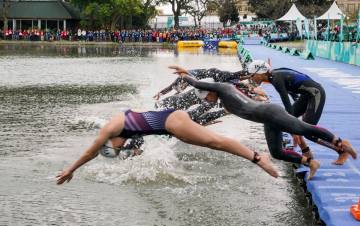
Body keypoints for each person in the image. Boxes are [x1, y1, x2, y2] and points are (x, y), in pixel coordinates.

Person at [173, 67, 357, 180]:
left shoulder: (223, 88)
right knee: (276, 152)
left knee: (304, 129)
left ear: (209, 92)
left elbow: (198, 84)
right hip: (267, 119)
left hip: (272, 113)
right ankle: (311, 163)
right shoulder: (225, 99)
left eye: (207, 98)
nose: (208, 102)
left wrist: (184, 76)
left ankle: (340, 143)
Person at [56, 108, 279, 185]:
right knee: (212, 143)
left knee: (215, 142)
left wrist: (70, 169)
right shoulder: (122, 132)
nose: (117, 149)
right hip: (171, 123)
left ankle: (259, 159)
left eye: (113, 149)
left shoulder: (109, 130)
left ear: (109, 142)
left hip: (172, 122)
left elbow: (90, 152)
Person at [246, 60, 330, 163]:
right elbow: (293, 92)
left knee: (308, 132)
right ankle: (306, 151)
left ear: (260, 73)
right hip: (306, 96)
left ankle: (341, 148)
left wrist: (293, 129)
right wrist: (300, 109)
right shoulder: (274, 75)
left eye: (252, 75)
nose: (251, 78)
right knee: (286, 122)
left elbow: (286, 102)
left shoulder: (276, 79)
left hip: (316, 94)